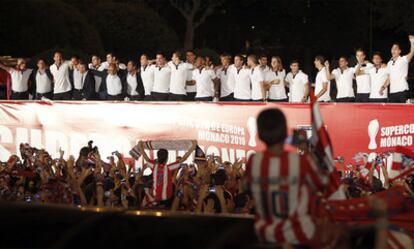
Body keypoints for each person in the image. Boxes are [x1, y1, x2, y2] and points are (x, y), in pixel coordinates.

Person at [245, 108, 333, 247]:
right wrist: (305, 148)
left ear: (260, 134)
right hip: (299, 236)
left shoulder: (254, 161)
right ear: (285, 132)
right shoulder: (299, 161)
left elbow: (247, 188)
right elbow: (324, 182)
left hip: (265, 235)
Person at [138, 140, 197, 207]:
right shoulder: (169, 168)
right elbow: (184, 158)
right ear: (167, 158)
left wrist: (141, 146)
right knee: (174, 186)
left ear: (158, 157)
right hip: (167, 198)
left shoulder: (154, 166)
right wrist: (193, 146)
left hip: (155, 196)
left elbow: (145, 156)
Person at [384, 35, 414, 103]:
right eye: (392, 49)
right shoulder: (389, 63)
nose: (393, 50)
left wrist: (412, 42)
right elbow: (389, 78)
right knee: (393, 112)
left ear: (399, 51)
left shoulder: (403, 59)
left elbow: (412, 52)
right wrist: (383, 87)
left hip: (402, 90)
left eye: (395, 49)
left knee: (404, 112)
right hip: (392, 92)